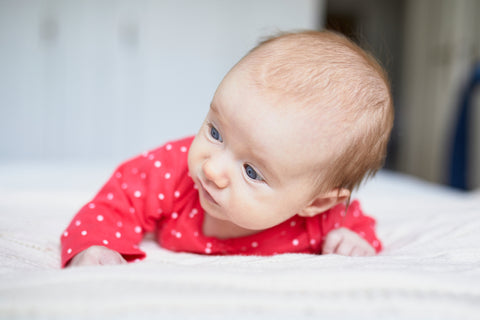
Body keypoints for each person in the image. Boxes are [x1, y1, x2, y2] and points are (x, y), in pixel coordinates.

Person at [61, 30, 393, 267]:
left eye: (251, 171)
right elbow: (117, 201)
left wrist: (355, 242)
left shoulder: (325, 219)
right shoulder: (175, 169)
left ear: (316, 202)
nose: (212, 169)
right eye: (216, 132)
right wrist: (94, 244)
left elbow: (359, 226)